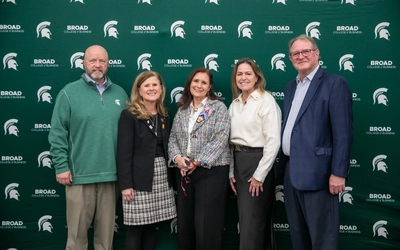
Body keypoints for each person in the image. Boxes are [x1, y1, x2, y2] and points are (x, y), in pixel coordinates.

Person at [48, 45, 129, 250]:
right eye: (92, 60)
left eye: (102, 61)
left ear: (108, 64)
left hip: (111, 176)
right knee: (76, 239)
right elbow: (57, 132)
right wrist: (61, 166)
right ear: (83, 63)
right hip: (79, 176)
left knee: (105, 240)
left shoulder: (120, 93)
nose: (97, 65)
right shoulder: (69, 93)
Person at [278, 34, 353, 250]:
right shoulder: (290, 87)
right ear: (290, 58)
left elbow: (343, 133)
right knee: (299, 237)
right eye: (295, 53)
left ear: (316, 53)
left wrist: (339, 173)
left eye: (305, 51)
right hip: (292, 173)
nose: (300, 56)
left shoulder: (335, 83)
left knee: (323, 240)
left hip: (320, 174)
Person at [168, 68, 230, 250]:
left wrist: (197, 162)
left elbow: (220, 138)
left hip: (211, 173)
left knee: (207, 226)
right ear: (190, 84)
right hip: (184, 173)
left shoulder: (218, 108)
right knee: (185, 225)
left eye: (204, 82)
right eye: (196, 81)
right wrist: (178, 158)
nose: (199, 85)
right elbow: (173, 138)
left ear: (209, 87)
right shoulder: (182, 110)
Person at [116, 71, 177, 250]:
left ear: (161, 88)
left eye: (155, 85)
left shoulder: (165, 114)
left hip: (161, 177)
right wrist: (126, 185)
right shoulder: (129, 115)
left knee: (152, 225)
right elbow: (123, 153)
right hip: (138, 179)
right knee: (136, 227)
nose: (152, 88)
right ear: (139, 90)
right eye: (147, 85)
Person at [229, 58, 282, 250]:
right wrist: (231, 172)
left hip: (258, 163)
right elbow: (231, 142)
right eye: (239, 74)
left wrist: (259, 176)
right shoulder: (234, 104)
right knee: (247, 220)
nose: (243, 77)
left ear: (257, 77)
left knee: (254, 222)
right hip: (239, 162)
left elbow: (273, 141)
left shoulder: (266, 100)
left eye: (248, 73)